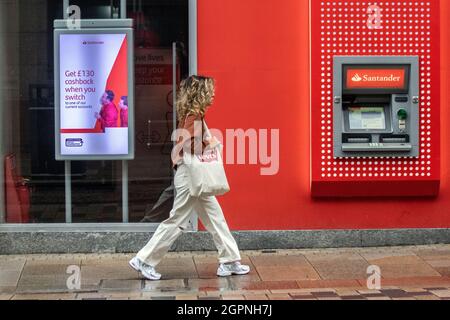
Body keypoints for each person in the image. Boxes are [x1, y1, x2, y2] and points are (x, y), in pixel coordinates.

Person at [129, 75, 250, 280]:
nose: (213, 94)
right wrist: (209, 143)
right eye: (210, 90)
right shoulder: (194, 116)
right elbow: (188, 146)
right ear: (200, 93)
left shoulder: (192, 115)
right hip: (190, 176)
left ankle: (229, 260)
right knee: (177, 220)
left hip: (192, 174)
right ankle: (144, 260)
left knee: (215, 218)